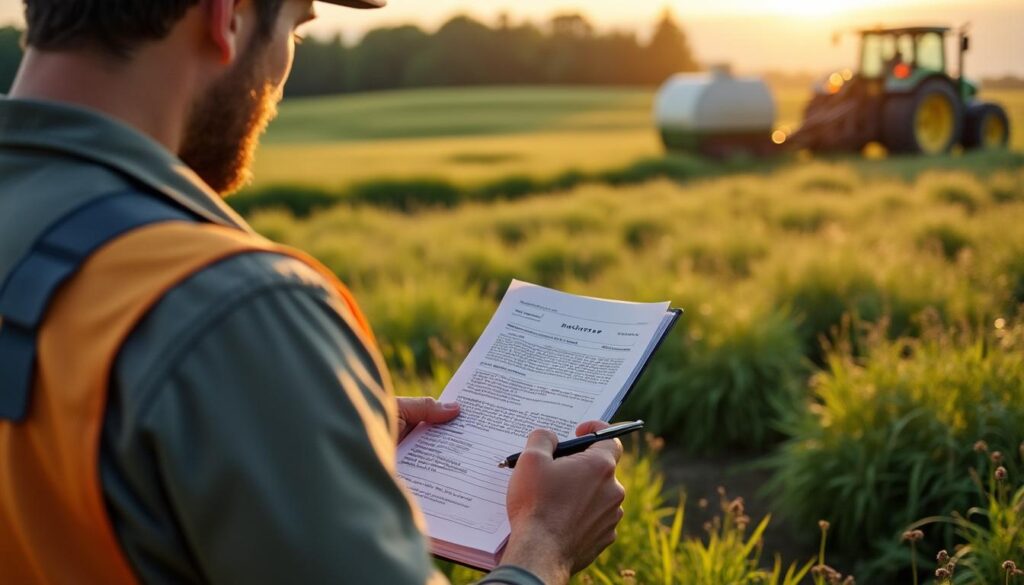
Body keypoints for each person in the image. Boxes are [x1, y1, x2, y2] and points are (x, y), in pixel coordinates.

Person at [0, 1, 626, 584]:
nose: (282, 72)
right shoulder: (234, 310)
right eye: (296, 26)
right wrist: (543, 548)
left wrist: (286, 427)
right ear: (228, 16)